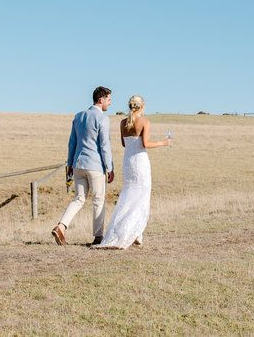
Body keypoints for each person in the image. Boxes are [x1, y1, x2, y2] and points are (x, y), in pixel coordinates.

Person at [93, 94, 170, 250]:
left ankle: (133, 233)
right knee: (141, 196)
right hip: (140, 163)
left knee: (128, 196)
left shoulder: (123, 123)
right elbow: (145, 143)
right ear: (142, 106)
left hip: (128, 163)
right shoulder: (145, 122)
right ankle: (135, 232)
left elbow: (123, 143)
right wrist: (163, 142)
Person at [52, 86, 115, 246]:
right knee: (98, 200)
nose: (110, 102)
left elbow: (71, 143)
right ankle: (98, 237)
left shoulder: (78, 116)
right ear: (101, 100)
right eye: (109, 99)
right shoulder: (102, 119)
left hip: (78, 164)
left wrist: (70, 165)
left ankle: (61, 226)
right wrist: (110, 167)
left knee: (79, 199)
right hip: (95, 165)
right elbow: (104, 145)